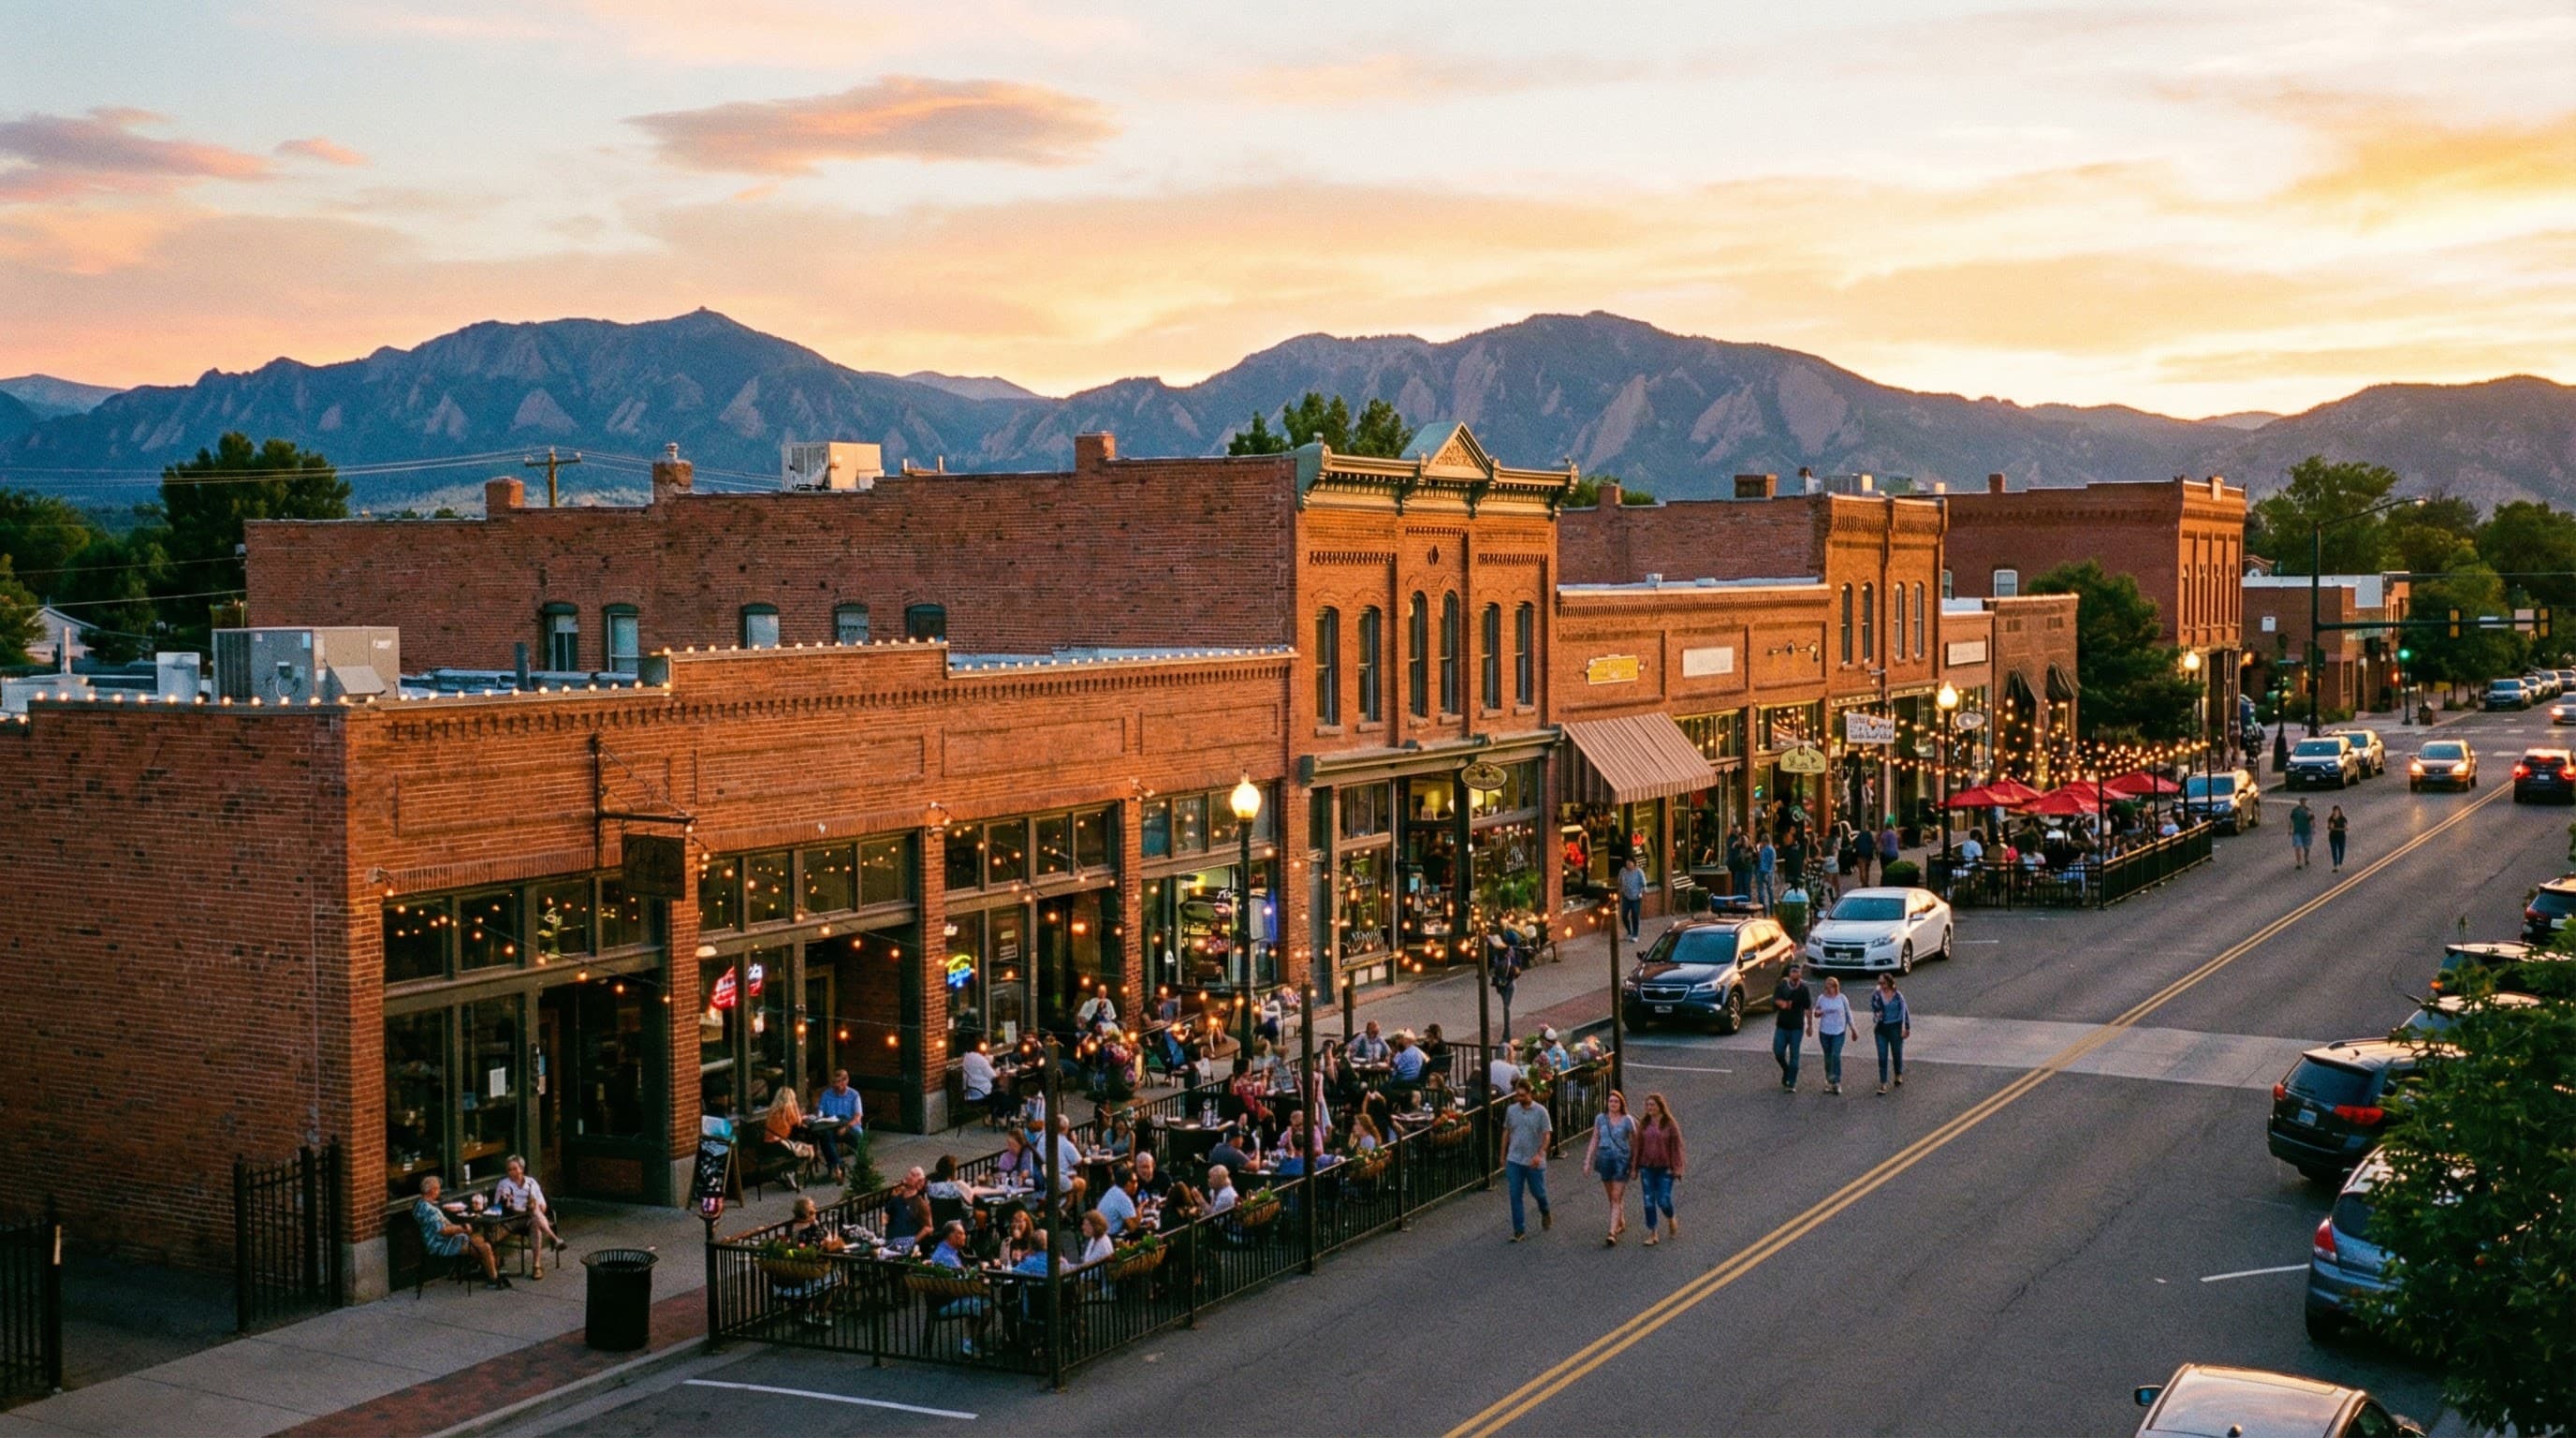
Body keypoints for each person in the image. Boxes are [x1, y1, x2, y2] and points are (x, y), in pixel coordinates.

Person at [413, 1177, 506, 1289]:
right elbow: (444, 1231)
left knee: (479, 1239)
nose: (439, 1192)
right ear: (432, 1190)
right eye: (438, 1189)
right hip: (440, 1244)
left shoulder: (419, 1204)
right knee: (485, 1246)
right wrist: (463, 1228)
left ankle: (489, 1268)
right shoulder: (429, 1210)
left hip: (434, 1240)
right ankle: (494, 1279)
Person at [493, 1155, 565, 1279]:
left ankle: (536, 1266)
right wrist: (506, 1202)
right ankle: (555, 1238)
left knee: (536, 1217)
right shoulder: (503, 1184)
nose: (511, 1172)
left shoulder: (531, 1183)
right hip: (512, 1219)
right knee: (536, 1216)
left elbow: (543, 1207)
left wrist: (533, 1205)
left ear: (521, 1169)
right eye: (509, 1170)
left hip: (530, 1218)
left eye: (514, 1169)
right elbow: (496, 1205)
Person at [1501, 1078, 1554, 1241]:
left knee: (1538, 1192)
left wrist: (1540, 1154)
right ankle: (1519, 1230)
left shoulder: (1541, 1112)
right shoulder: (1511, 1110)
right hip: (1515, 1159)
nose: (1519, 1099)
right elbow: (1506, 1132)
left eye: (1523, 1096)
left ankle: (1545, 1210)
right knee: (1515, 1194)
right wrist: (1502, 1155)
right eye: (1517, 1095)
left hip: (1533, 1161)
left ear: (1530, 1094)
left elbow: (1546, 1135)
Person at [1586, 1090, 1637, 1246]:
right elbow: (1595, 1138)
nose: (1613, 1104)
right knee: (1612, 1197)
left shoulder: (1627, 1120)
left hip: (1622, 1160)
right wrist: (1588, 1160)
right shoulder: (1600, 1119)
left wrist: (1634, 1164)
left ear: (1621, 1104)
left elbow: (1635, 1141)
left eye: (1616, 1102)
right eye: (1611, 1101)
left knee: (1615, 1196)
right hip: (1604, 1159)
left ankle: (1612, 1232)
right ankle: (1620, 1221)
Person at [1633, 1093, 1685, 1245]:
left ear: (1660, 1106)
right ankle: (1653, 1233)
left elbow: (1677, 1147)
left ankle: (1670, 1217)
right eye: (1647, 1105)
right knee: (1649, 1201)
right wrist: (1634, 1167)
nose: (1649, 1108)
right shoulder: (1644, 1124)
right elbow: (1638, 1147)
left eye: (1652, 1105)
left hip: (1665, 1169)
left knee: (1663, 1200)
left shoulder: (1670, 1124)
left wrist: (1677, 1168)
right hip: (1647, 1167)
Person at [813, 1069, 863, 1180]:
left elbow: (857, 1117)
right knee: (824, 1136)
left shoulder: (854, 1095)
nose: (836, 1085)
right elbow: (820, 1112)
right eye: (834, 1082)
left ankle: (860, 1166)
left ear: (846, 1081)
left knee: (858, 1138)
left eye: (839, 1082)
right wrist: (818, 1113)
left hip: (850, 1126)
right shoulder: (827, 1094)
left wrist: (846, 1127)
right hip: (832, 1126)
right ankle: (837, 1165)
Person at [1772, 962, 1812, 1093]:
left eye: (1797, 971)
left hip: (1796, 1027)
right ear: (1789, 973)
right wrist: (1782, 1004)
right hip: (1782, 1026)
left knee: (1795, 1055)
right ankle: (1786, 1069)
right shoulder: (1782, 986)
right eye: (1793, 971)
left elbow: (1808, 1007)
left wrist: (1810, 1025)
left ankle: (1792, 1082)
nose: (1795, 974)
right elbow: (1775, 999)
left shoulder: (1803, 989)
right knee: (1778, 1052)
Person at [763, 1086, 815, 1187]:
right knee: (809, 1148)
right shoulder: (788, 1108)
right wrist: (796, 1106)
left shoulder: (773, 1110)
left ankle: (789, 1172)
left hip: (768, 1144)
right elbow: (798, 1122)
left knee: (798, 1145)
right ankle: (792, 1172)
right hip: (779, 1144)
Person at [1870, 973, 1911, 1094]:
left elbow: (1905, 1012)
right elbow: (1874, 1008)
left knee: (1896, 1053)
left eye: (1883, 983)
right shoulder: (1876, 996)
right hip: (1881, 1029)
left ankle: (1898, 1074)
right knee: (1882, 1057)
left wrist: (1907, 1027)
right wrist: (1877, 1014)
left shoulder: (1898, 996)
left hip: (1895, 1028)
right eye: (1879, 983)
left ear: (1889, 982)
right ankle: (1883, 1083)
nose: (1881, 985)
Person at [1811, 976, 1853, 1095]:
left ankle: (1837, 1082)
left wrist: (1853, 1029)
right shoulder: (1822, 998)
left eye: (1830, 987)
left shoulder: (1842, 998)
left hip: (1838, 1031)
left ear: (1835, 987)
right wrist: (1820, 1012)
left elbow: (1848, 1013)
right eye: (1826, 987)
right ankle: (1829, 1080)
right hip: (1825, 1031)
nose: (1828, 989)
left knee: (1835, 1055)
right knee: (1828, 1057)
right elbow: (1816, 1012)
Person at [1096, 1163, 1141, 1238]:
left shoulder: (1113, 1190)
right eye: (1134, 1182)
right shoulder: (1123, 1199)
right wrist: (1139, 1212)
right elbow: (1132, 1228)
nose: (1137, 1185)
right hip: (1110, 1236)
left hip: (1100, 1232)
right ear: (1128, 1183)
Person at [961, 1045, 999, 1126]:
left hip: (970, 1092)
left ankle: (991, 1117)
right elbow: (993, 1076)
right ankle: (997, 1117)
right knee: (1000, 1094)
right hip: (982, 1093)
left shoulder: (966, 1057)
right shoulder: (981, 1060)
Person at [1617, 854, 1647, 942]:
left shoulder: (1639, 872)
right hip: (1626, 897)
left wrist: (1641, 892)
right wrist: (1620, 891)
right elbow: (1619, 882)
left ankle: (1635, 934)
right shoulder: (1623, 871)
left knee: (1635, 915)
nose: (1628, 866)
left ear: (1634, 864)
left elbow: (1644, 884)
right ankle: (1629, 931)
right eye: (1627, 864)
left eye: (1630, 864)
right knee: (1624, 915)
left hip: (1636, 898)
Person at [1755, 832, 1778, 911]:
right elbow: (1772, 862)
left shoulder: (1766, 849)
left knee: (1763, 890)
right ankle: (1770, 909)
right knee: (1769, 891)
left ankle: (1764, 908)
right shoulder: (1771, 850)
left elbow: (1763, 860)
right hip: (1768, 872)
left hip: (1764, 871)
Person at [2289, 798, 2314, 870]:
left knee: (2307, 848)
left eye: (2305, 801)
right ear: (2300, 802)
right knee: (2298, 847)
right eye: (2302, 801)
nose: (2303, 803)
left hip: (2306, 831)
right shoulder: (2295, 811)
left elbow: (2312, 820)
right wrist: (2290, 829)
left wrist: (2313, 828)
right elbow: (2291, 820)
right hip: (2297, 831)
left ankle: (2306, 858)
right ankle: (2298, 863)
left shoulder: (2308, 810)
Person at [2327, 803, 2349, 872]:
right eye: (2334, 811)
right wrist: (2333, 826)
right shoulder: (2331, 819)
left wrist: (2338, 828)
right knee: (2334, 851)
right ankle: (2335, 865)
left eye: (2337, 811)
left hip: (2341, 837)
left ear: (2339, 811)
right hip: (2333, 837)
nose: (2335, 812)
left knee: (2341, 851)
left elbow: (2346, 827)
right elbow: (2331, 827)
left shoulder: (2343, 819)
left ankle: (2340, 863)